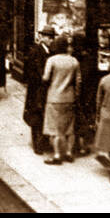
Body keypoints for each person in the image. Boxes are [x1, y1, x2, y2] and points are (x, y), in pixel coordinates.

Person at [43, 35, 81, 164]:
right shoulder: (74, 61)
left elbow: (46, 78)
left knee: (55, 128)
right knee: (69, 128)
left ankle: (57, 155)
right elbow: (78, 81)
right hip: (69, 98)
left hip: (54, 97)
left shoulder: (52, 60)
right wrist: (75, 94)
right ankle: (69, 153)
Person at [23, 27, 55, 154]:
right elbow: (34, 72)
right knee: (36, 117)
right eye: (49, 37)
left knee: (43, 116)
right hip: (36, 90)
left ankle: (44, 142)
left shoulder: (50, 52)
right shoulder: (36, 51)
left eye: (52, 38)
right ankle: (37, 144)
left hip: (43, 90)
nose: (51, 40)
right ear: (43, 38)